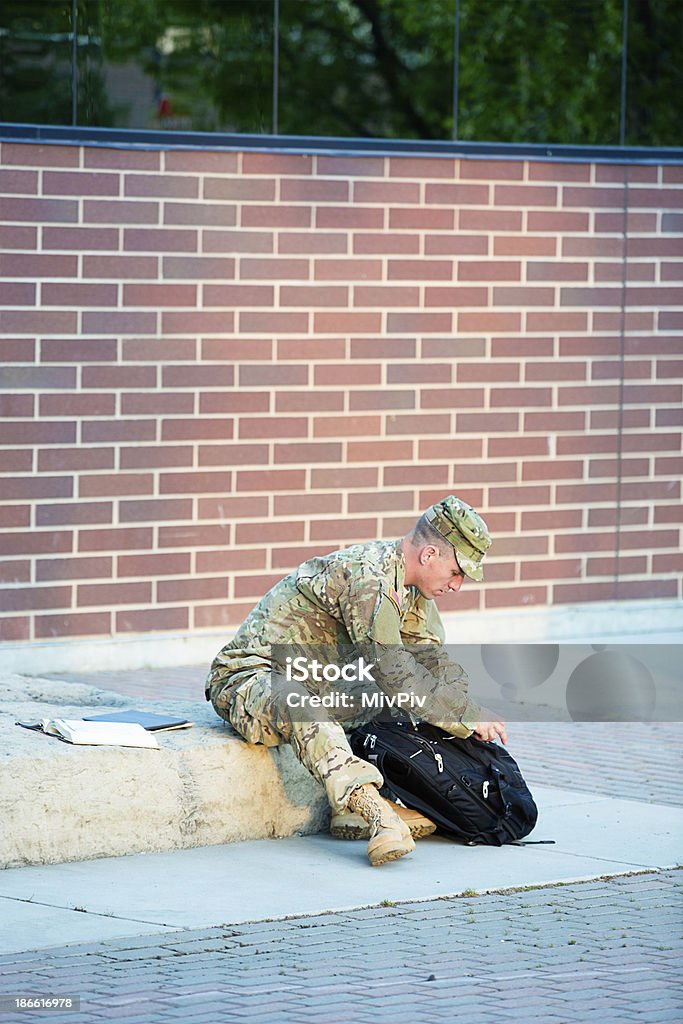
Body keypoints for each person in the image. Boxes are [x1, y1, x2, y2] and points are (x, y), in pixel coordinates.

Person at [205, 495, 507, 867]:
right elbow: (395, 673)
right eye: (456, 572)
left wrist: (469, 718)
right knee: (303, 704)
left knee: (395, 703)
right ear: (429, 555)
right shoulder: (369, 577)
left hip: (317, 677)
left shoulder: (412, 591)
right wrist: (464, 714)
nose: (457, 585)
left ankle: (353, 812)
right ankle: (375, 812)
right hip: (250, 677)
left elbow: (432, 665)